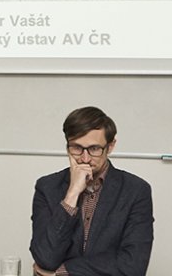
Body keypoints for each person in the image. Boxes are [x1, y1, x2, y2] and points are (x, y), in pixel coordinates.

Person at [30, 106, 153, 276]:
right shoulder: (47, 187)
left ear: (110, 146)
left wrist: (63, 271)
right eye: (76, 148)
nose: (85, 158)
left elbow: (133, 265)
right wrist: (72, 193)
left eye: (94, 149)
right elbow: (46, 258)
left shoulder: (136, 190)